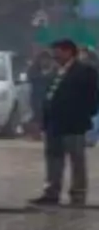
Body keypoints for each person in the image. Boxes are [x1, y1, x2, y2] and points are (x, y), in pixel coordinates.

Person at [31, 39, 99, 207]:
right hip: (54, 123)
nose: (54, 55)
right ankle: (51, 192)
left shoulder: (85, 71)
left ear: (68, 52)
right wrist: (42, 120)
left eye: (57, 51)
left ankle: (78, 194)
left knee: (77, 159)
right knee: (53, 159)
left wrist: (84, 114)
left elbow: (93, 97)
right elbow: (48, 97)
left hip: (74, 123)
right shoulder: (55, 72)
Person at [25, 51, 56, 141]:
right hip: (36, 96)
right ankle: (36, 134)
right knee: (37, 115)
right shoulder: (33, 69)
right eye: (43, 59)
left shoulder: (55, 70)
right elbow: (30, 78)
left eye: (47, 60)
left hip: (51, 97)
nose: (45, 62)